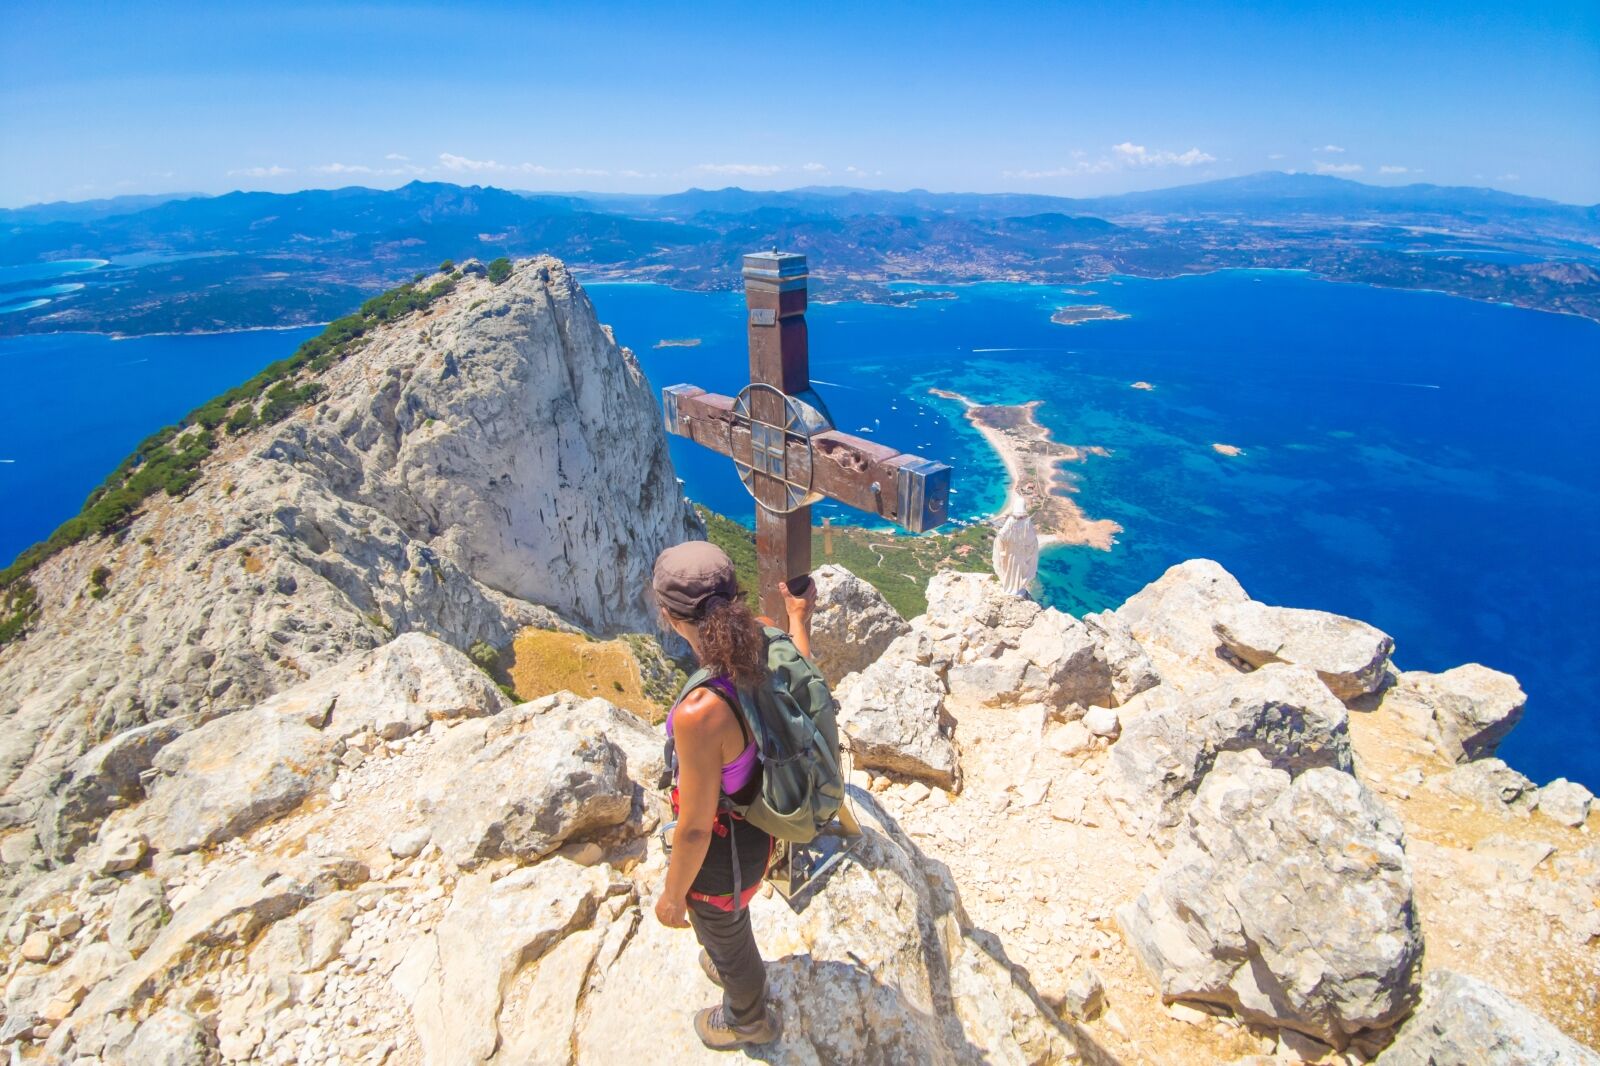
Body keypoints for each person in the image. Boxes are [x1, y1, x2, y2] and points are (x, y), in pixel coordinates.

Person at [650, 540, 814, 1050]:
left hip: (723, 860)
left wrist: (672, 897)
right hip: (759, 826)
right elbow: (802, 688)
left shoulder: (701, 713)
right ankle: (725, 955)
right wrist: (798, 618)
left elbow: (695, 830)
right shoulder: (762, 635)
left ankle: (748, 1018)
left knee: (727, 933)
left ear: (668, 616)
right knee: (727, 926)